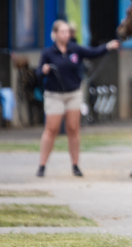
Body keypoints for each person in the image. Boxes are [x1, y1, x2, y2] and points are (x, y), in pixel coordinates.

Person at [35, 20, 120, 177]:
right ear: (55, 34)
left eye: (68, 32)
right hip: (54, 95)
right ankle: (42, 165)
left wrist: (108, 46)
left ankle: (75, 165)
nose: (66, 35)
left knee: (73, 129)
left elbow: (93, 52)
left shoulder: (75, 49)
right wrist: (44, 70)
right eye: (62, 32)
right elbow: (38, 73)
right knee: (51, 129)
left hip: (73, 93)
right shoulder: (48, 53)